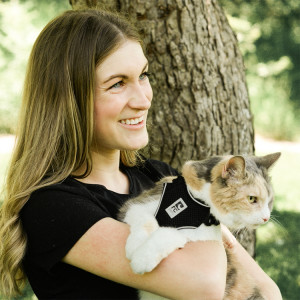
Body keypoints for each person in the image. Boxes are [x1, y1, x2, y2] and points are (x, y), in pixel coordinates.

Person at [0, 8, 281, 300]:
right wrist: (210, 217)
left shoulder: (155, 174)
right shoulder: (52, 206)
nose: (143, 99)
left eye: (143, 75)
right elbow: (205, 285)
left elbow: (268, 291)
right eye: (118, 83)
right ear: (68, 99)